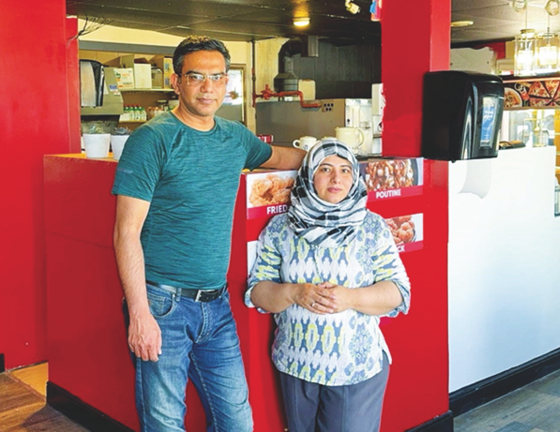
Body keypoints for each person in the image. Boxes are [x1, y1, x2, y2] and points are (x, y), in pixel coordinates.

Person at [112, 35, 305, 432]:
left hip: (216, 306)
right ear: (176, 81)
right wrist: (140, 314)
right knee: (165, 423)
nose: (208, 87)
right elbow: (125, 233)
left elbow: (283, 157)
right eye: (197, 77)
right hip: (161, 302)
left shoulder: (234, 137)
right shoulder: (153, 139)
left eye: (218, 78)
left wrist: (331, 159)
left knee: (236, 420)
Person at [246, 139, 411, 432]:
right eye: (325, 168)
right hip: (296, 364)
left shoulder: (371, 226)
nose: (337, 178)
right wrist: (293, 292)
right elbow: (257, 291)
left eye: (346, 170)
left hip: (355, 368)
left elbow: (397, 292)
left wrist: (350, 298)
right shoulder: (281, 228)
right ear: (309, 175)